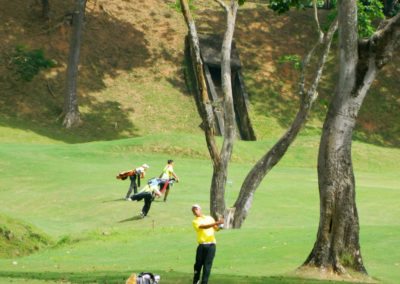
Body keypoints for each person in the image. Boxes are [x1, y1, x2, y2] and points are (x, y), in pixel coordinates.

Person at [191, 204, 224, 284]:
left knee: (207, 265)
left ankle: (204, 282)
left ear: (200, 209)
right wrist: (217, 222)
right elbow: (204, 227)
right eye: (193, 210)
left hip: (211, 245)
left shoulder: (209, 218)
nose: (195, 211)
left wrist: (220, 225)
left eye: (196, 209)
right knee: (198, 265)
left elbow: (216, 228)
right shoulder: (195, 221)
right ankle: (196, 281)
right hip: (202, 245)